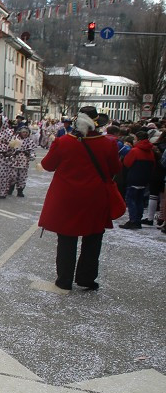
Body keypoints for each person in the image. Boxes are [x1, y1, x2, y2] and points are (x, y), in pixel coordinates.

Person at [38, 107, 121, 291]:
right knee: (93, 239)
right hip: (95, 198)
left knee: (67, 239)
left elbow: (48, 165)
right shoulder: (108, 144)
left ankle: (64, 280)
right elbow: (115, 168)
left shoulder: (63, 142)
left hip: (67, 198)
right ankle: (86, 278)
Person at [119, 130, 155, 229]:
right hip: (144, 178)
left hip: (134, 177)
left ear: (138, 139)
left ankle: (133, 220)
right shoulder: (150, 151)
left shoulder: (135, 151)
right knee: (139, 199)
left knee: (131, 199)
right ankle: (138, 219)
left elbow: (127, 163)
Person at [10, 126, 36, 197]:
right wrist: (14, 152)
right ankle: (11, 187)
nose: (25, 134)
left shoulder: (30, 141)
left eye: (26, 132)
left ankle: (20, 190)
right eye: (23, 132)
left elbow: (32, 151)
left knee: (22, 177)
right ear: (20, 132)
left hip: (24, 162)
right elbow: (10, 149)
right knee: (13, 175)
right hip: (14, 161)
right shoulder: (15, 139)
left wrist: (30, 155)